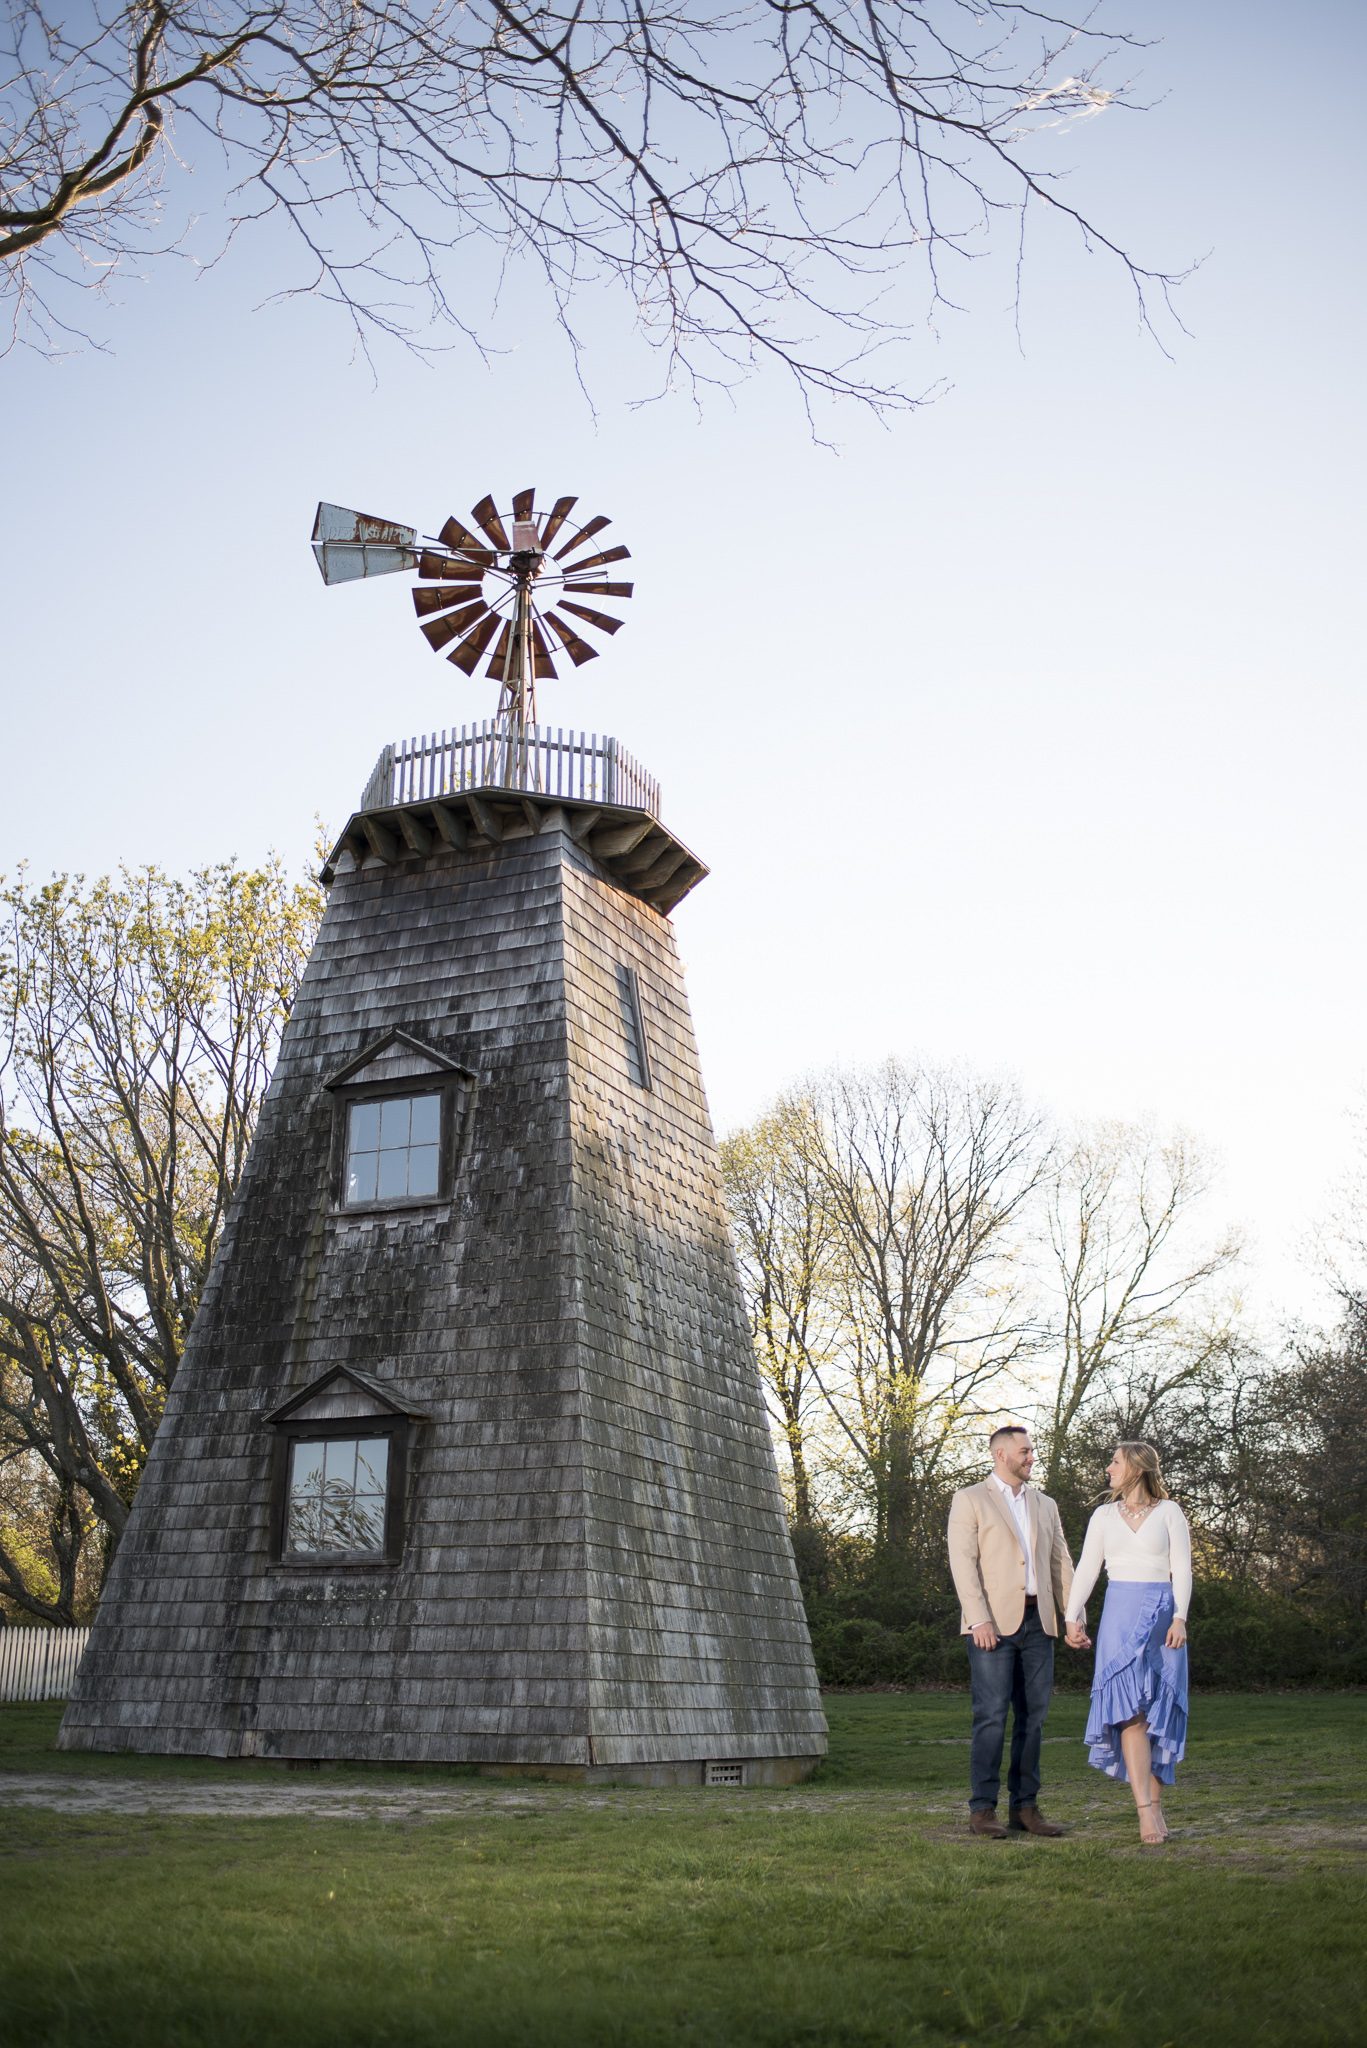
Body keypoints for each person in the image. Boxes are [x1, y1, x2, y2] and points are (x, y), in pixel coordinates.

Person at [947, 1425, 1077, 1838]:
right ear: (1001, 1454)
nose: (1031, 1457)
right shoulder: (969, 1499)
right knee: (990, 1718)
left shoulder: (1046, 1504)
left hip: (1040, 1624)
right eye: (1024, 1451)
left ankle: (1026, 1807)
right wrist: (977, 1619)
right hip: (991, 1627)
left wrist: (1074, 1618)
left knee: (1033, 1720)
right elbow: (963, 1563)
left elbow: (1062, 1564)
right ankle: (982, 1809)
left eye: (1031, 1451)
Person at [1064, 1442, 1191, 1845]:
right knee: (1130, 1716)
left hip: (1163, 1617)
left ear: (1136, 1468)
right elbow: (1088, 1567)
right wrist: (1071, 1616)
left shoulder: (1170, 1512)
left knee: (1159, 1714)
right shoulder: (1102, 1516)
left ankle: (1156, 1807)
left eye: (1114, 1462)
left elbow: (1183, 1568)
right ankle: (1143, 1812)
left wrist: (1180, 1617)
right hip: (1119, 1615)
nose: (1108, 1469)